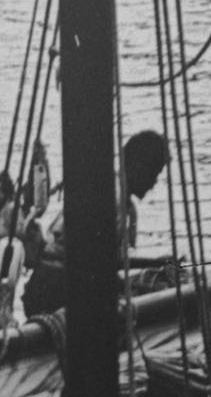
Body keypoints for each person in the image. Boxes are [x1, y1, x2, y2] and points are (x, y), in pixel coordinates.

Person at [20, 127, 170, 317]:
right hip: (56, 288)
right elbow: (97, 262)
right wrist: (153, 265)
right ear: (139, 167)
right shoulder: (112, 200)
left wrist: (153, 264)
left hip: (49, 281)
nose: (153, 184)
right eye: (154, 175)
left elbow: (100, 261)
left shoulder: (113, 194)